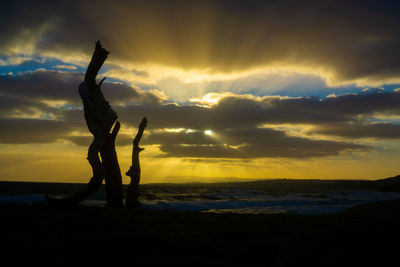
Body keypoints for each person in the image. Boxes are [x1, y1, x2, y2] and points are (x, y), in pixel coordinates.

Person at [125, 117, 147, 208]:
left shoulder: (134, 170)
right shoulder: (135, 170)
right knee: (135, 143)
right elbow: (127, 173)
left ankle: (132, 204)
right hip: (134, 183)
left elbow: (127, 173)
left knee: (135, 143)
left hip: (133, 184)